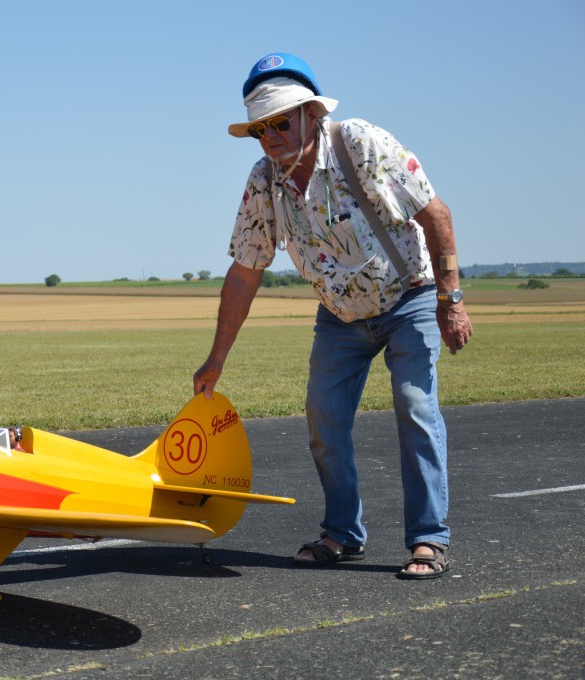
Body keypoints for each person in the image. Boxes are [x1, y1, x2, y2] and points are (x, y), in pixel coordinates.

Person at [192, 53, 473, 580]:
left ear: (312, 114)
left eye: (280, 121)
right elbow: (245, 271)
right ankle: (343, 534)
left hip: (407, 297)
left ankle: (428, 541)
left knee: (415, 409)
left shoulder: (359, 144)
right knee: (323, 420)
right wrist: (216, 359)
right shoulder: (263, 183)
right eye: (260, 128)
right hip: (339, 315)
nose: (271, 136)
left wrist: (449, 300)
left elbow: (436, 212)